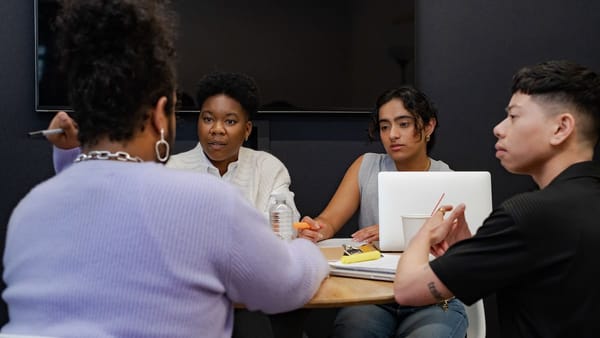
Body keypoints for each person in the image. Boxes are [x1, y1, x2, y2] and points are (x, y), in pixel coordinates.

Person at [0, 1, 328, 337]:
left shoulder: (28, 212)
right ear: (160, 113)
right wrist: (308, 250)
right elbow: (287, 286)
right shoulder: (204, 201)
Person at [394, 60, 600, 338]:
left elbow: (407, 290)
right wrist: (472, 249)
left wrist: (423, 233)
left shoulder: (528, 214)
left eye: (514, 117)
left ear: (561, 128)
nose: (499, 129)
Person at [298, 86, 467, 338]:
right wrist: (316, 230)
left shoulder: (448, 179)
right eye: (385, 126)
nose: (393, 135)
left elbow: (459, 251)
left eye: (404, 124)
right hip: (371, 295)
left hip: (431, 297)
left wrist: (394, 232)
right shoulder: (366, 166)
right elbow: (329, 221)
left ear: (429, 126)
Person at [50, 71, 300, 223]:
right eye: (208, 118)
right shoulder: (171, 168)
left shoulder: (268, 168)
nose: (217, 129)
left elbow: (286, 226)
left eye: (230, 121)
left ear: (247, 130)